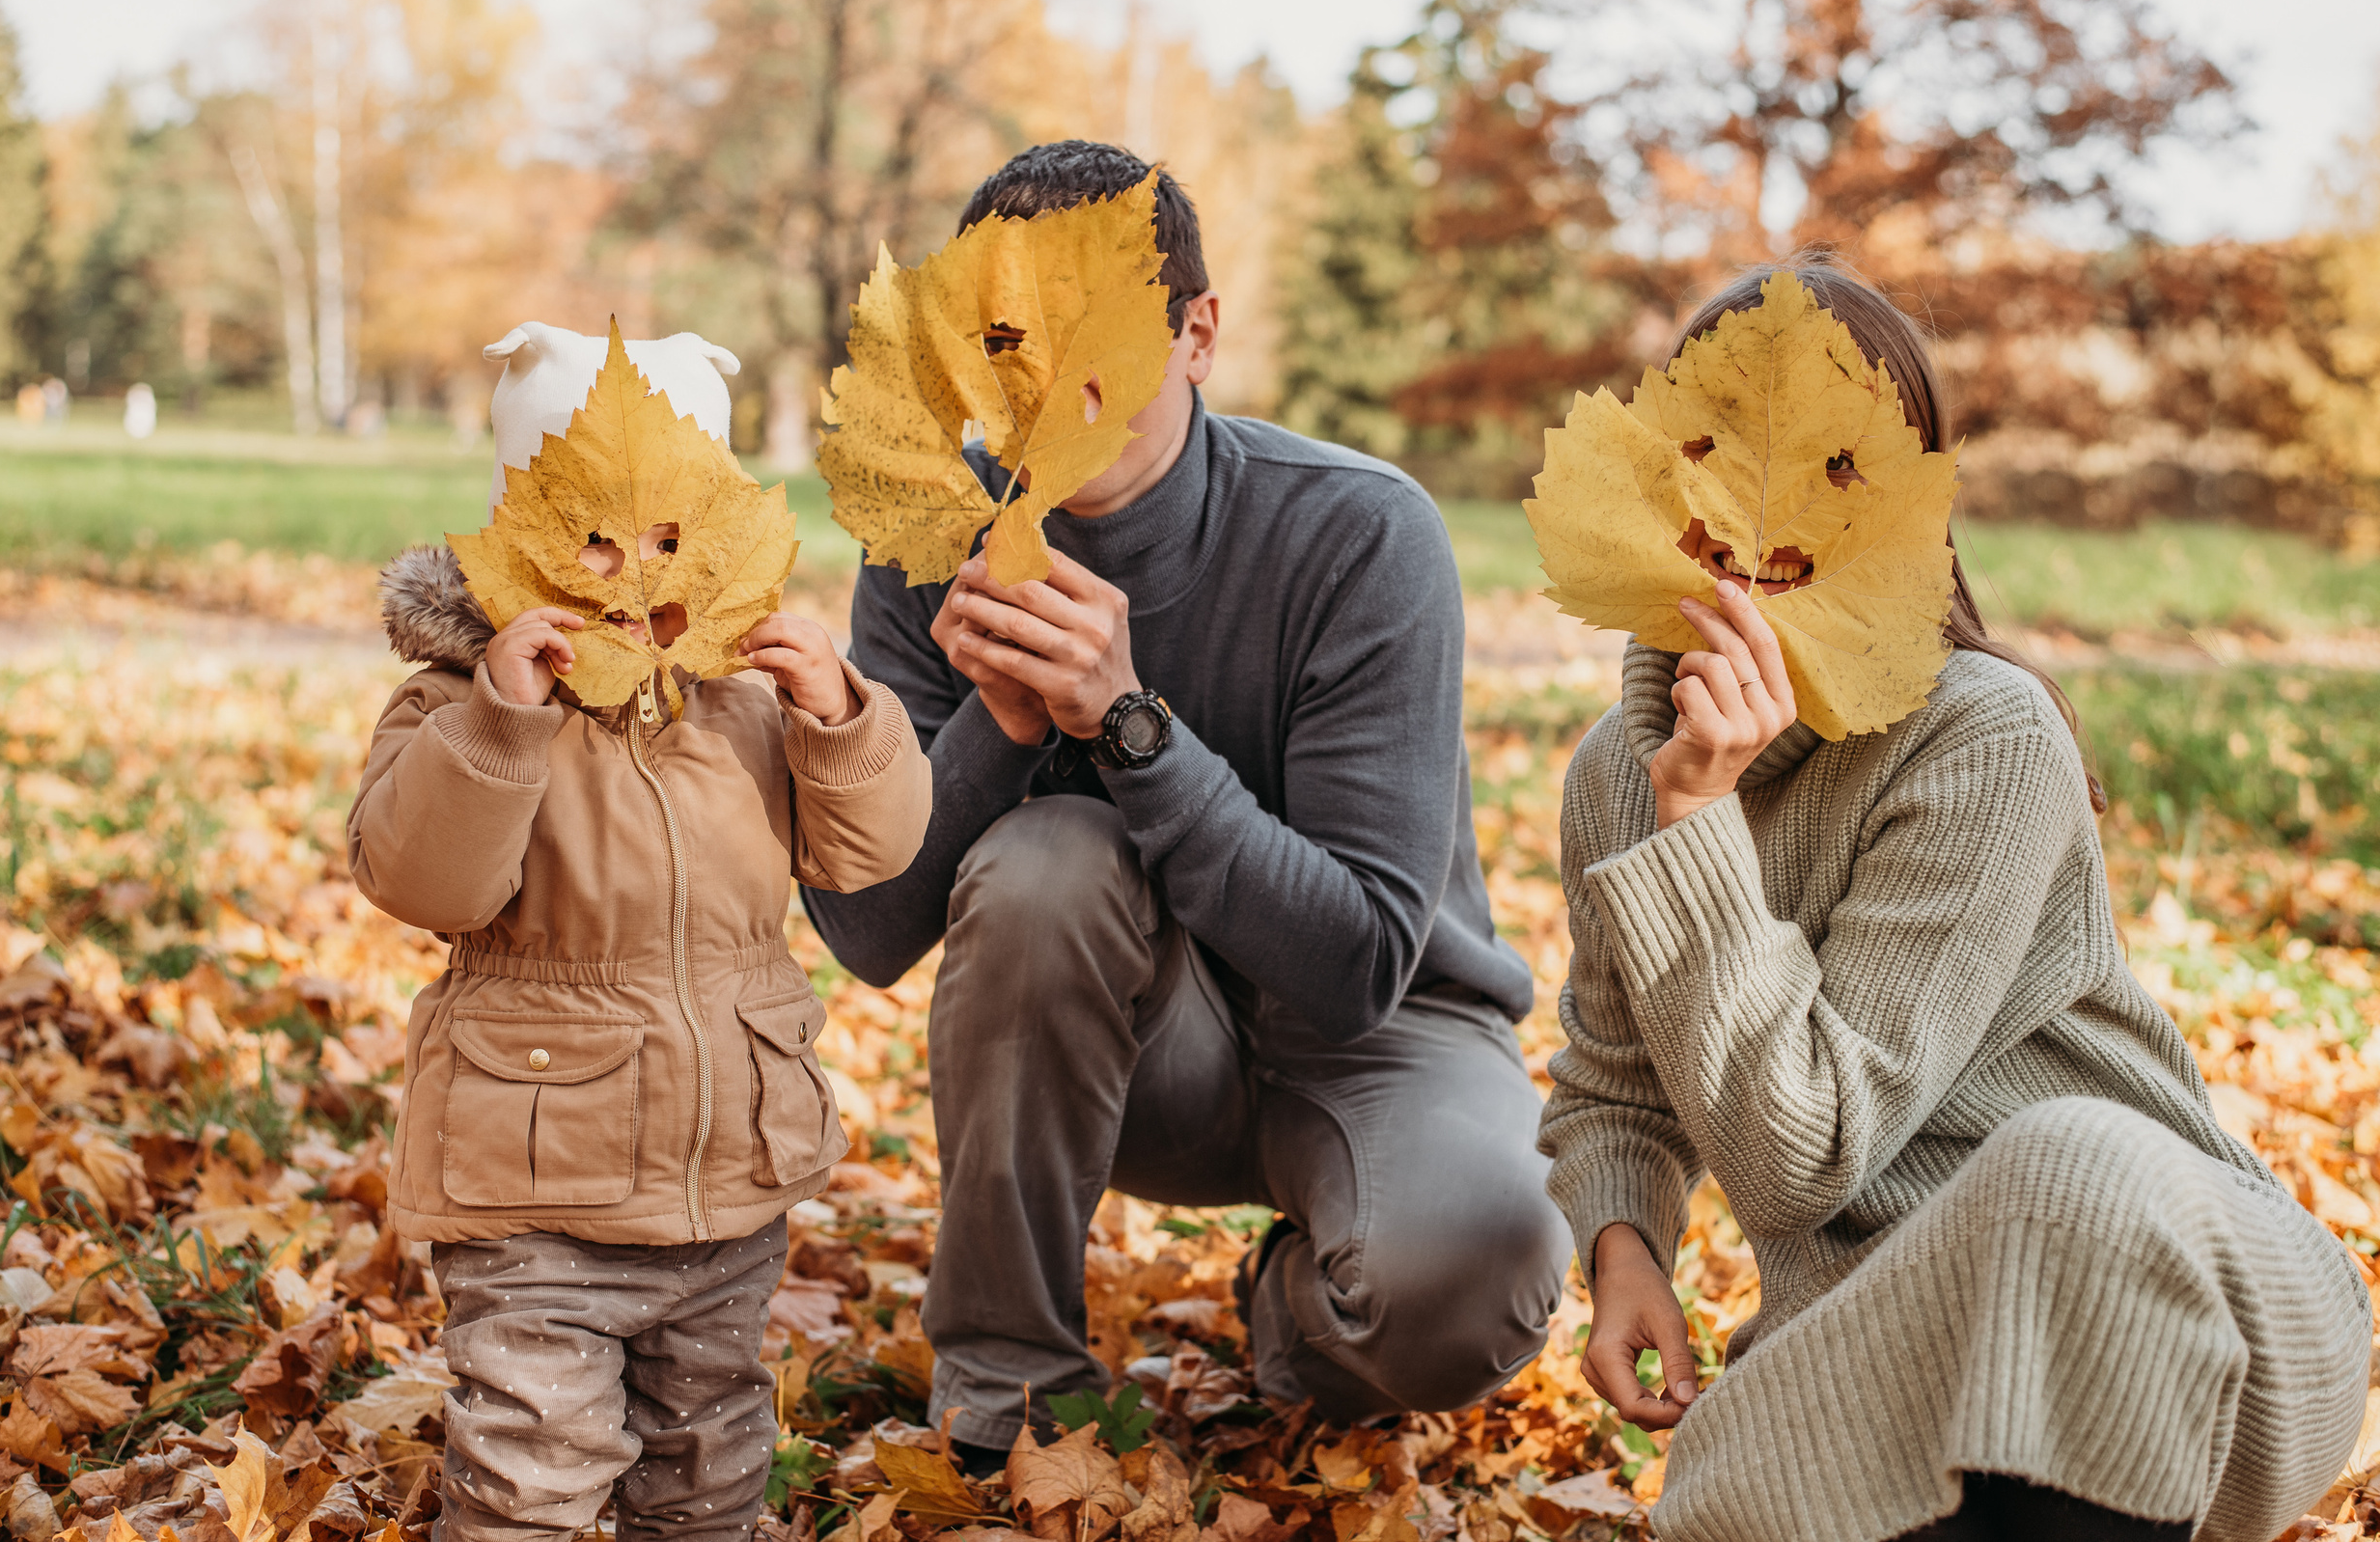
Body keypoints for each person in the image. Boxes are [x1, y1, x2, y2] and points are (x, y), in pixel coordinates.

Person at [1539, 261, 2370, 1542]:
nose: (1765, 527)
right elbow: (1615, 1079)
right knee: (1729, 1494)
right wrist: (1624, 1246)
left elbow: (1803, 1157)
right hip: (1894, 1325)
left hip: (2178, 1297)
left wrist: (1699, 826)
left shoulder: (1986, 735)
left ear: (1911, 508)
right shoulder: (1622, 767)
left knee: (2059, 1163)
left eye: (1840, 471)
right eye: (1712, 457)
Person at [805, 140, 1570, 1466]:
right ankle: (1010, 1396)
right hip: (1144, 1043)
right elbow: (869, 932)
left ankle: (1294, 1306)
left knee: (1476, 1277)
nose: (1048, 373)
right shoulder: (934, 539)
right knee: (1048, 857)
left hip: (1381, 1032)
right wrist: (999, 727)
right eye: (1007, 336)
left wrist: (1130, 727)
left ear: (1196, 333)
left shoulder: (1358, 534)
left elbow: (1356, 965)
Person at [346, 418, 932, 1541]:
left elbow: (871, 851)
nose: (636, 568)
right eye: (596, 540)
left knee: (708, 1456)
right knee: (535, 1461)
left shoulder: (745, 704)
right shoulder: (458, 701)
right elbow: (427, 880)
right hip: (537, 1196)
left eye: (669, 534)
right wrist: (504, 721)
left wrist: (838, 717)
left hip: (724, 1182)